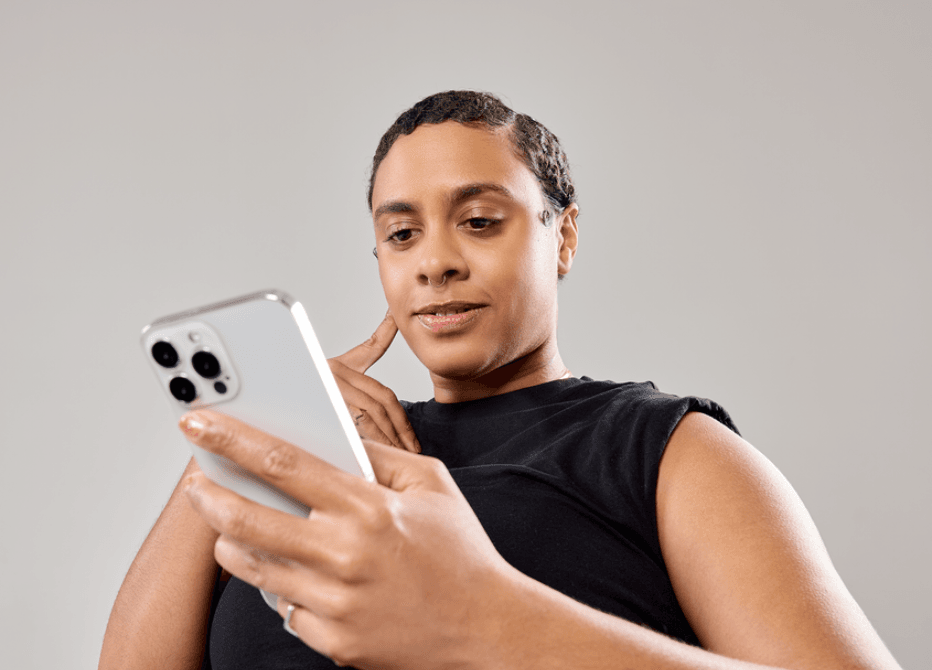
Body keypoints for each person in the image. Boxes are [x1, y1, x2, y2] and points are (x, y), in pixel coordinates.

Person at [99, 91, 902, 670]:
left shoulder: (663, 451)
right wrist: (236, 438)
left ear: (564, 236)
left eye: (480, 221)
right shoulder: (319, 460)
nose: (437, 261)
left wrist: (487, 620)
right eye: (402, 233)